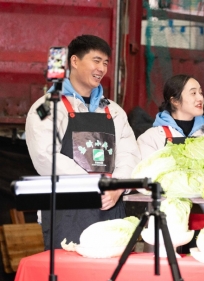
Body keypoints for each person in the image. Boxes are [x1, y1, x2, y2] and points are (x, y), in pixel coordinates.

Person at [25, 35, 141, 250]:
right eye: (96, 60)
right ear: (75, 61)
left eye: (106, 63)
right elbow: (45, 156)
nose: (102, 68)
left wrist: (118, 186)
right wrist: (91, 185)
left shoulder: (114, 110)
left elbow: (130, 154)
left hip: (111, 208)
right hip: (67, 212)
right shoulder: (46, 107)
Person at [136, 74, 204, 238]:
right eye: (193, 93)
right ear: (175, 101)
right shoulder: (151, 138)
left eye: (200, 92)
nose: (200, 97)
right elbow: (145, 180)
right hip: (168, 222)